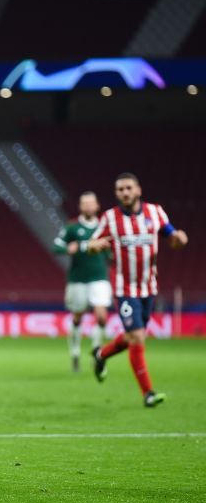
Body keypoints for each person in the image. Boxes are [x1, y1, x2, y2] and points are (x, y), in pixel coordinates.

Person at [88, 173, 188, 407]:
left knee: (134, 335)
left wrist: (179, 239)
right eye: (120, 189)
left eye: (128, 188)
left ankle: (101, 355)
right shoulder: (110, 218)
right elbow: (93, 243)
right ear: (116, 193)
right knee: (137, 336)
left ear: (138, 190)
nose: (124, 192)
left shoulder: (155, 212)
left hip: (148, 287)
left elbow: (172, 237)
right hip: (124, 288)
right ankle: (148, 393)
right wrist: (95, 246)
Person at [52, 192, 112, 372]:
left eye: (90, 203)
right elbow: (56, 245)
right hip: (77, 279)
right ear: (80, 207)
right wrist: (67, 248)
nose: (88, 206)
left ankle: (96, 351)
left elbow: (111, 251)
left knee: (101, 316)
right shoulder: (72, 228)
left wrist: (110, 253)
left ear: (97, 206)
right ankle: (75, 351)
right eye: (84, 203)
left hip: (99, 277)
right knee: (78, 316)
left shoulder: (105, 227)